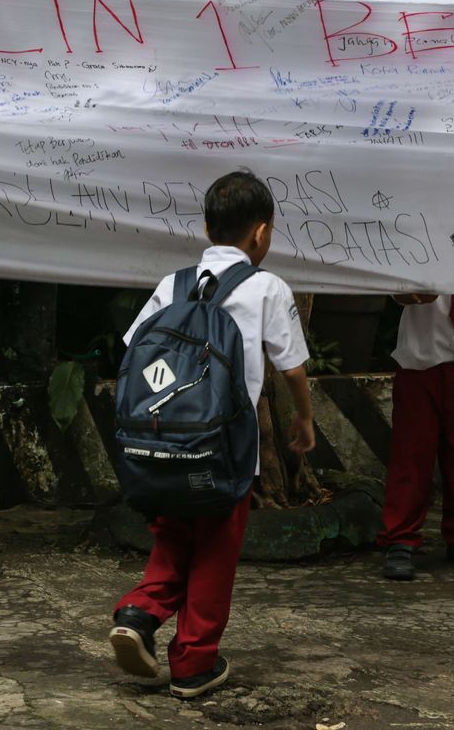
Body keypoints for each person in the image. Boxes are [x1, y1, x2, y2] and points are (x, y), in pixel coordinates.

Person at [108, 171, 315, 699]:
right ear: (262, 234)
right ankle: (194, 664)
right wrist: (303, 418)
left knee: (174, 536)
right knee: (215, 554)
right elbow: (291, 368)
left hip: (160, 444)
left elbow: (134, 348)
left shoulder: (171, 285)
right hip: (224, 452)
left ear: (206, 227)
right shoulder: (266, 286)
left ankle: (140, 611)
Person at [378, 293, 454, 581]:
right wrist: (410, 292)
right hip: (420, 358)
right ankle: (400, 538)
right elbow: (396, 287)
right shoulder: (419, 246)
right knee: (411, 455)